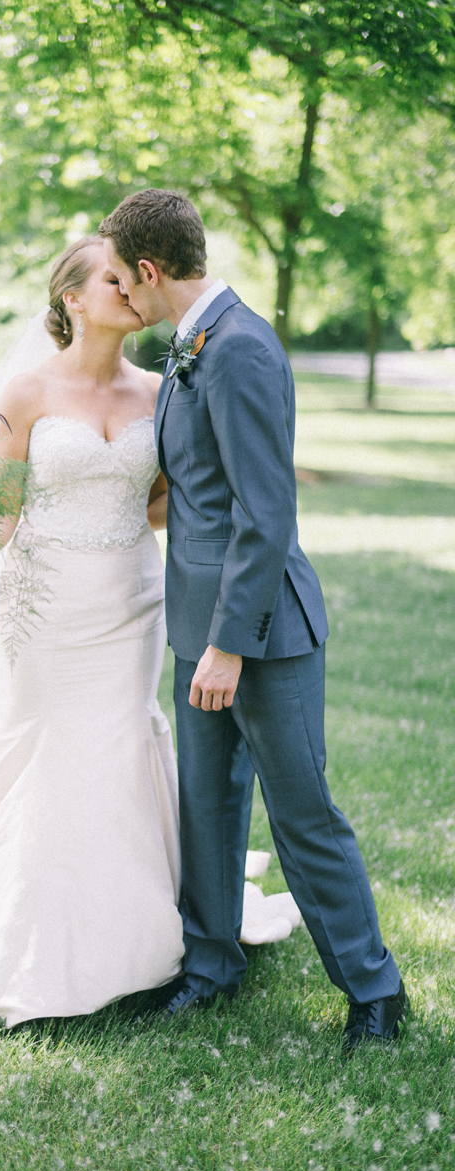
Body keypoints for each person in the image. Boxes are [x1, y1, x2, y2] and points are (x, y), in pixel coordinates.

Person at [0, 235, 300, 1028]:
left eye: (132, 277)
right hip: (43, 605)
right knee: (39, 741)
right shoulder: (24, 394)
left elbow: (162, 503)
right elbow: (0, 515)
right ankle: (20, 925)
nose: (131, 289)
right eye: (113, 279)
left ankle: (137, 929)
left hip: (131, 599)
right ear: (72, 301)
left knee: (118, 738)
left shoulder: (163, 391)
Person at [100, 190, 408, 1051]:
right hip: (195, 626)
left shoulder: (238, 348)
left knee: (303, 816)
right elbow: (193, 494)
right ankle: (210, 968)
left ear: (152, 271)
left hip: (262, 635)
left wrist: (229, 646)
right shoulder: (187, 348)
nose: (121, 293)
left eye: (124, 278)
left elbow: (265, 514)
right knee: (206, 806)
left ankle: (376, 992)